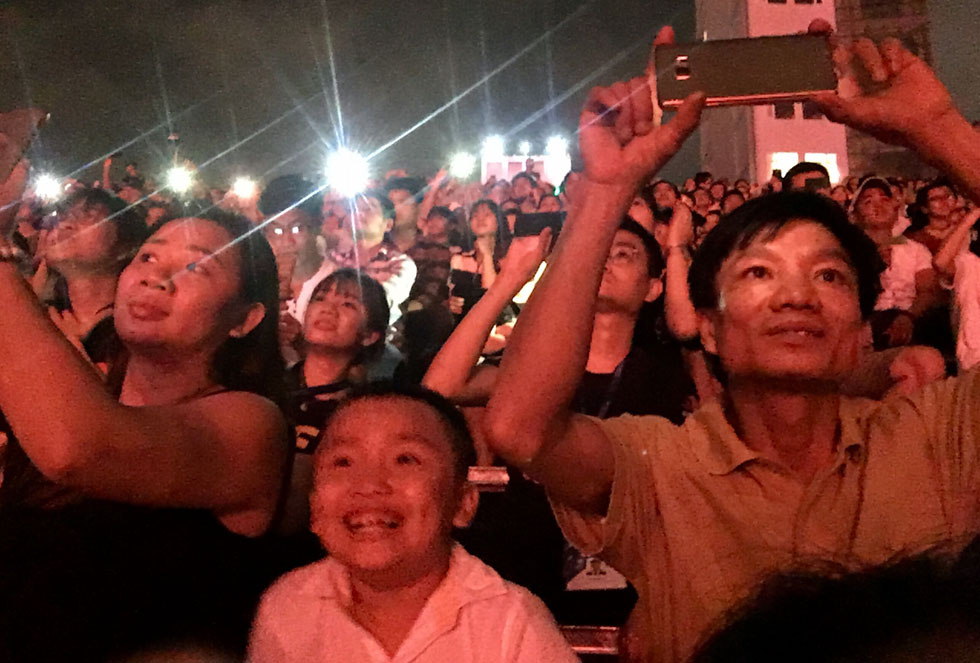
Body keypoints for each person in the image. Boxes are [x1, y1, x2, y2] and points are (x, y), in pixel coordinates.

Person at [483, 25, 980, 662]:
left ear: (862, 328)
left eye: (828, 275)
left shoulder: (936, 438)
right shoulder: (661, 465)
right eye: (758, 273)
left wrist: (937, 129)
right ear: (708, 326)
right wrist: (605, 193)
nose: (795, 296)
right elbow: (522, 427)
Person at [0, 207, 289, 660]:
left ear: (245, 318)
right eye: (148, 258)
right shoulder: (78, 396)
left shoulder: (252, 425)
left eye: (196, 267)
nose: (158, 278)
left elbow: (80, 450)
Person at [247, 384, 578, 663]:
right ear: (315, 509)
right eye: (343, 461)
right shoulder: (288, 608)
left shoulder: (510, 622)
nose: (369, 483)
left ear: (463, 502)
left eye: (405, 459)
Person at [280, 268, 390, 535]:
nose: (328, 309)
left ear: (369, 336)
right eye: (320, 299)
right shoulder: (268, 388)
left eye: (348, 303)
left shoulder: (363, 414)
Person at [35, 187, 147, 364]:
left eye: (89, 216)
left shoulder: (136, 338)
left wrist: (71, 350)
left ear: (125, 246)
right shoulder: (39, 312)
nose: (65, 225)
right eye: (63, 217)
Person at [851, 176, 941, 348]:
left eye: (885, 199)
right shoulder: (849, 251)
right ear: (855, 214)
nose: (879, 206)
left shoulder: (915, 249)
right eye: (868, 201)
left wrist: (908, 318)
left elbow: (927, 290)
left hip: (912, 318)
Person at [328, 189, 417, 325]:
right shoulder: (333, 257)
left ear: (388, 224)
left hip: (373, 340)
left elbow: (376, 304)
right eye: (354, 209)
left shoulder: (399, 264)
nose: (359, 213)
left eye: (368, 209)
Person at [259, 174, 329, 325]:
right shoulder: (257, 285)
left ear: (317, 225)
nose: (287, 241)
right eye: (276, 231)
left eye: (297, 228)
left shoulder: (337, 283)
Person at [385, 176, 424, 253]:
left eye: (402, 202)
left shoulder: (431, 248)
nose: (395, 208)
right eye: (390, 202)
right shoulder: (374, 248)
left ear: (418, 207)